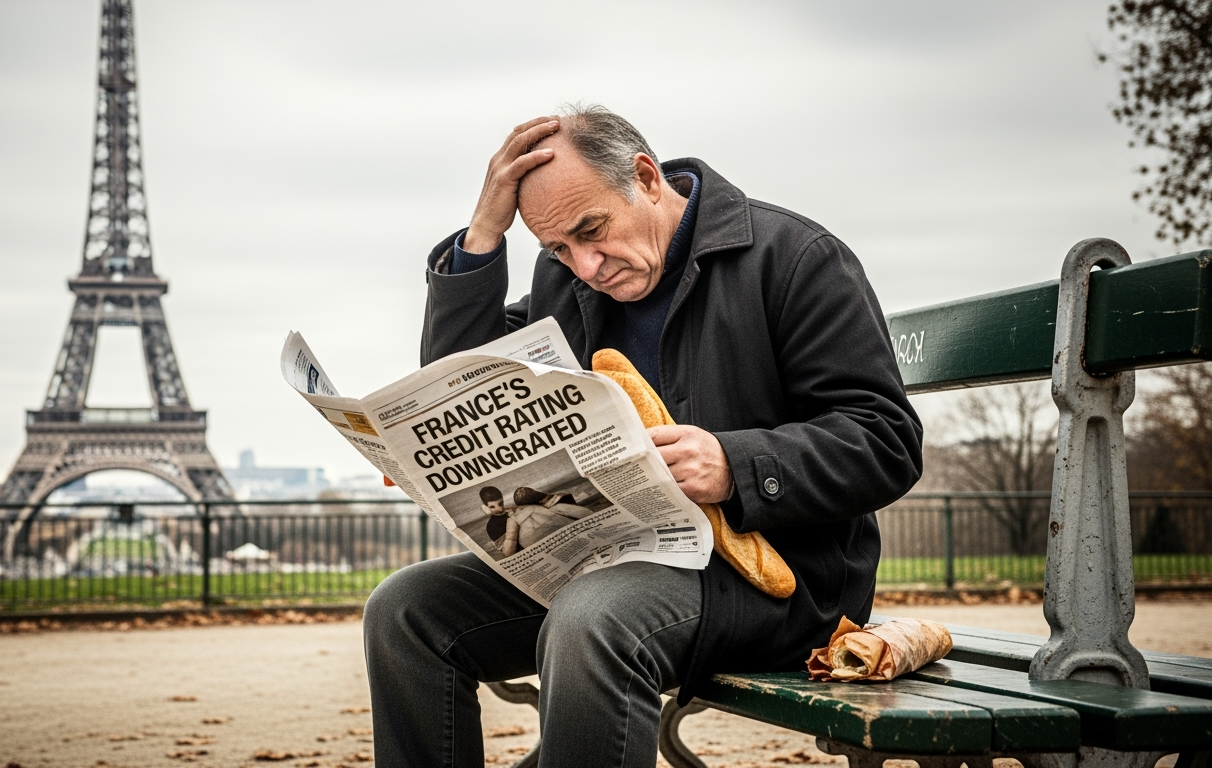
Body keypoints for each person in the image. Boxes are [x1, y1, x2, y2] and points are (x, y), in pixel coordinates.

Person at [363, 105, 923, 768]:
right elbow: (459, 376)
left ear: (648, 177)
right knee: (405, 612)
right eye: (559, 250)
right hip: (612, 557)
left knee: (593, 618)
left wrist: (734, 464)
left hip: (774, 578)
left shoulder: (792, 256)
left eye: (592, 230)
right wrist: (484, 233)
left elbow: (886, 439)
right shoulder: (566, 283)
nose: (588, 266)